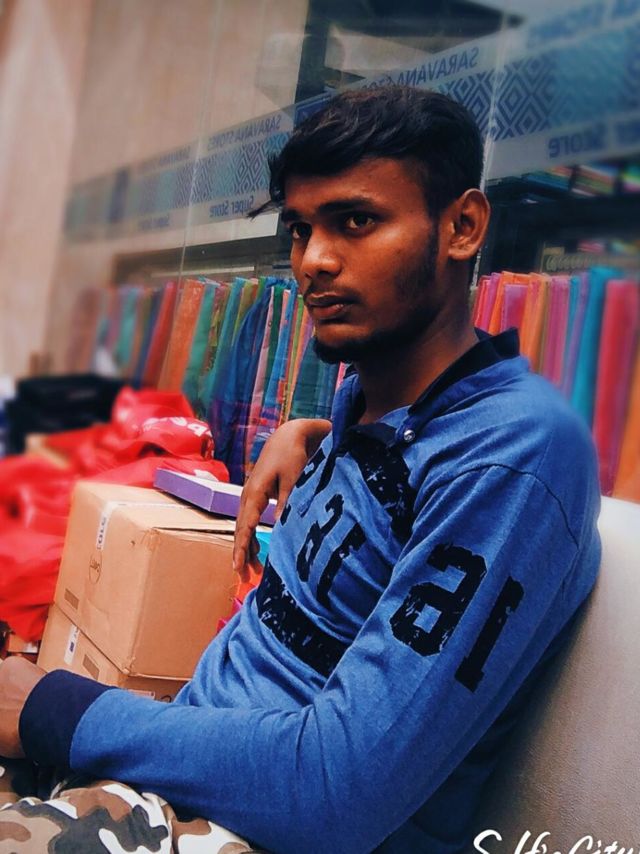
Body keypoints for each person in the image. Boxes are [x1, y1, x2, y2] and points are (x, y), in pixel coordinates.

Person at [0, 86, 600, 853]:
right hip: (187, 768)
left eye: (357, 221)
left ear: (463, 227)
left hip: (251, 828)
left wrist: (54, 711)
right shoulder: (374, 403)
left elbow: (334, 793)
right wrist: (316, 435)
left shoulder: (513, 458)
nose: (313, 260)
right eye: (301, 228)